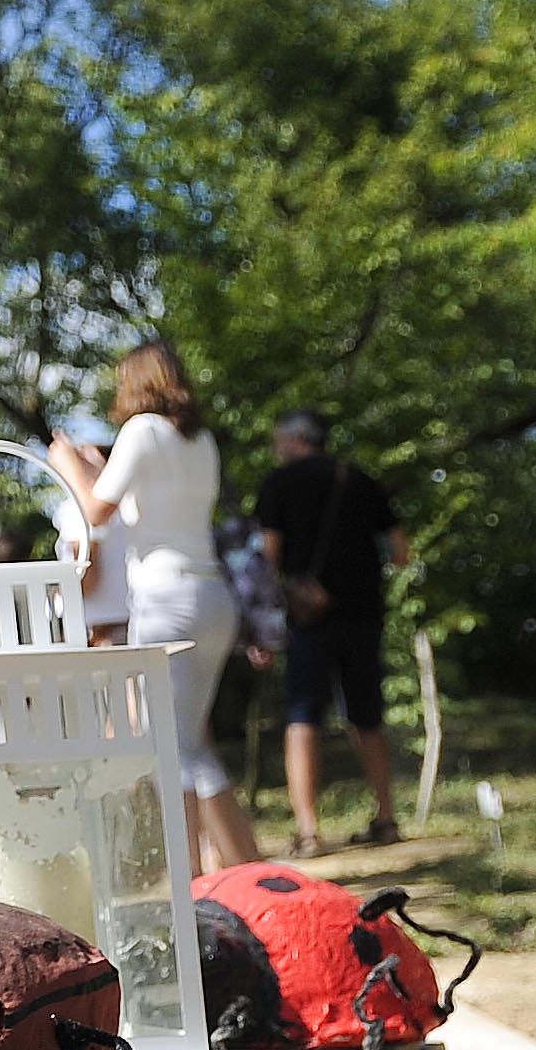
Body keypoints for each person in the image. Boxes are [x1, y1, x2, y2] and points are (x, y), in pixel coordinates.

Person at [47, 341, 259, 871]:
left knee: (171, 751)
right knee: (193, 746)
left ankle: (190, 893)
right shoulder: (202, 441)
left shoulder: (140, 431)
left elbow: (95, 511)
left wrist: (68, 465)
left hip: (167, 600)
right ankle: (249, 874)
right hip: (213, 596)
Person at [252, 409, 413, 857]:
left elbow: (268, 555)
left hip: (308, 619)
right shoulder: (360, 480)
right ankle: (386, 818)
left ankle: (309, 831)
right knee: (367, 715)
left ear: (294, 439)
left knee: (303, 717)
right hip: (364, 614)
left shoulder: (279, 482)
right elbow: (400, 551)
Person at [46, 432, 134, 645]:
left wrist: (49, 591)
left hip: (98, 637)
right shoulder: (130, 507)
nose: (79, 455)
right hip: (131, 626)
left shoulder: (77, 511)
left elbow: (87, 580)